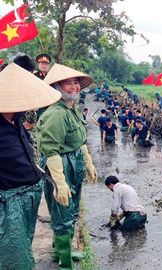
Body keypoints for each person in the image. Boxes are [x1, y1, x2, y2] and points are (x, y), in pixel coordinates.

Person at [0, 63, 61, 270]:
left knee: (24, 244)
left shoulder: (16, 120)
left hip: (29, 196)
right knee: (15, 258)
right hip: (9, 201)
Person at [37, 63, 97, 270]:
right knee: (62, 211)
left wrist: (88, 161)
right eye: (68, 83)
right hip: (60, 165)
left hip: (75, 162)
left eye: (76, 83)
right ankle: (65, 264)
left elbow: (79, 140)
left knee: (71, 210)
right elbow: (51, 151)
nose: (74, 87)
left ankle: (61, 250)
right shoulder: (56, 114)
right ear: (57, 86)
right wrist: (59, 184)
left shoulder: (71, 109)